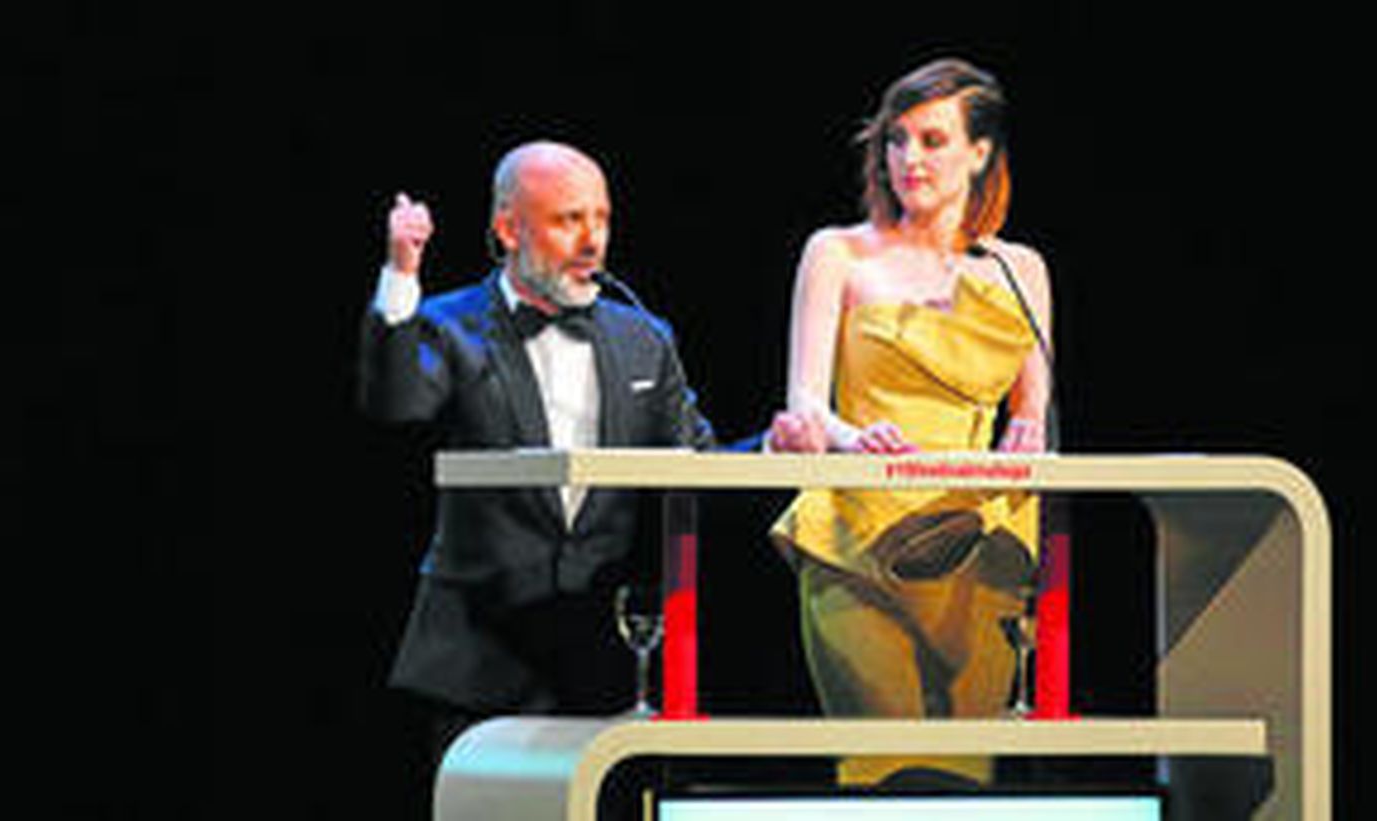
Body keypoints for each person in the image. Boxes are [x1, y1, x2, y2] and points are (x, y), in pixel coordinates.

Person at [356, 141, 718, 769]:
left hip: (598, 664)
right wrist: (400, 278)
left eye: (600, 219)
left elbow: (700, 461)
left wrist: (780, 443)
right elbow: (396, 402)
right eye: (568, 220)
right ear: (508, 228)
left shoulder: (644, 337)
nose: (592, 242)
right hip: (477, 659)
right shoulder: (450, 325)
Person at [766, 58, 1054, 787]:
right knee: (885, 773)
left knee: (965, 780)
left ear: (980, 152)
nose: (909, 159)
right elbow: (805, 400)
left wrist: (1027, 429)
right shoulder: (837, 252)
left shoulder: (1019, 268)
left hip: (977, 544)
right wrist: (853, 436)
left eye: (931, 140)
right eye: (897, 141)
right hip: (858, 535)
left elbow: (1033, 410)